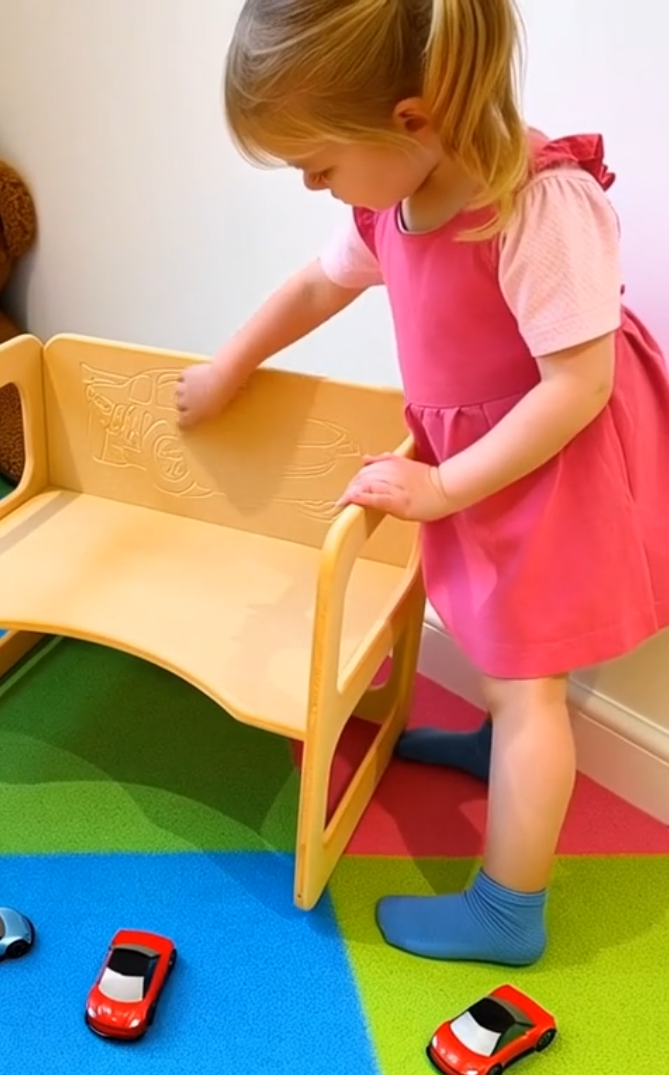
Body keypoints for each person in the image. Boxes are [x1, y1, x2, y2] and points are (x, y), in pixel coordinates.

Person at [178, 0, 669, 966]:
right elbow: (316, 285)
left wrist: (445, 490)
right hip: (486, 461)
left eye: (316, 164)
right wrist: (232, 364)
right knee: (501, 635)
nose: (314, 188)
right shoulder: (396, 200)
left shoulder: (537, 204)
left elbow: (577, 386)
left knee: (530, 679)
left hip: (553, 464)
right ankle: (498, 749)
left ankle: (506, 910)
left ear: (409, 119)